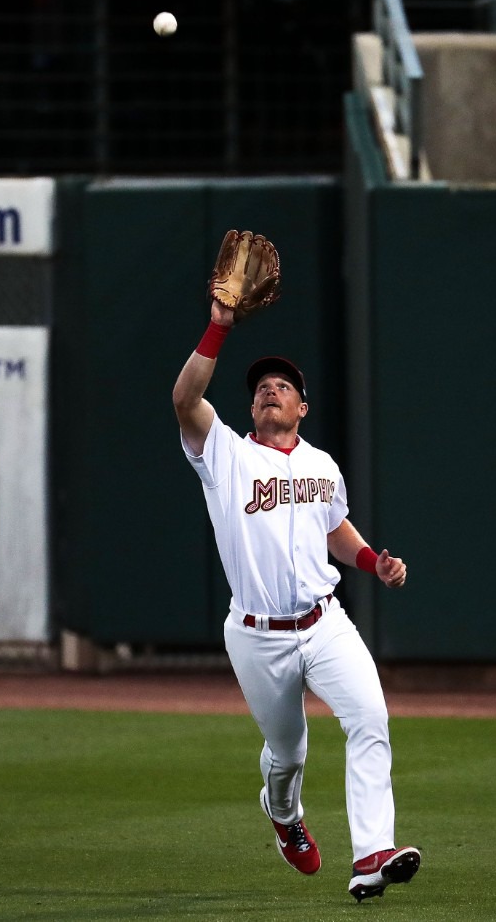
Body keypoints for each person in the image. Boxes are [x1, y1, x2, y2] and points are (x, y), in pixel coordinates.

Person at [171, 293, 421, 902]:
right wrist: (218, 326)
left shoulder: (323, 466)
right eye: (261, 386)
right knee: (289, 753)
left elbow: (333, 529)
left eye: (282, 386)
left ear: (302, 407)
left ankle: (371, 856)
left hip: (324, 621)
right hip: (257, 635)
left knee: (369, 719)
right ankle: (283, 816)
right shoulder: (225, 455)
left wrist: (372, 561)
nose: (269, 390)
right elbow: (184, 400)